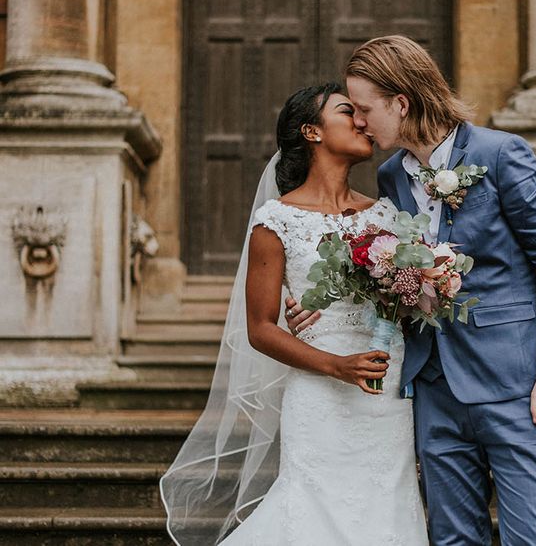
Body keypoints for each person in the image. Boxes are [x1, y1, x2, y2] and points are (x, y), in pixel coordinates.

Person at [286, 36, 536, 545]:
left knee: (532, 540)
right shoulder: (390, 177)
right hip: (433, 389)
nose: (359, 122)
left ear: (400, 103)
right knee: (451, 540)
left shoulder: (500, 154)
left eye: (363, 109)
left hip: (515, 385)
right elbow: (397, 274)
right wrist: (319, 305)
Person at [161, 83, 428, 545]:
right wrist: (335, 365)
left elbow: (407, 305)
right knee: (312, 509)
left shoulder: (387, 215)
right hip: (321, 392)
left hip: (387, 391)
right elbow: (260, 329)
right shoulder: (276, 221)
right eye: (348, 112)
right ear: (312, 131)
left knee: (386, 506)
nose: (362, 121)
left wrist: (424, 290)